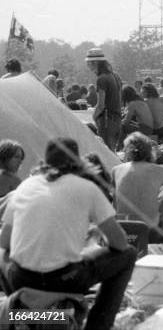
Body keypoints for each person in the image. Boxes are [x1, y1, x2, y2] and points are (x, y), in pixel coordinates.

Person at [0, 137, 136, 330]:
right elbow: (120, 244)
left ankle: (24, 313)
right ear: (77, 160)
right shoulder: (87, 188)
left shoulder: (25, 186)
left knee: (1, 254)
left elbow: (4, 241)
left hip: (22, 278)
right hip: (65, 280)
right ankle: (97, 325)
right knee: (128, 255)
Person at [112, 132, 163, 235]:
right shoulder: (161, 171)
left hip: (122, 225)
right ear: (150, 152)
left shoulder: (116, 170)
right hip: (149, 228)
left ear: (127, 151)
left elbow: (115, 203)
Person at [86, 48, 122, 151]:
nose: (88, 65)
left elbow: (101, 105)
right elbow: (119, 99)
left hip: (107, 121)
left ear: (95, 62)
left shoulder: (102, 79)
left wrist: (94, 116)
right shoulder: (115, 76)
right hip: (117, 119)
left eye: (89, 62)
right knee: (112, 152)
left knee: (106, 153)